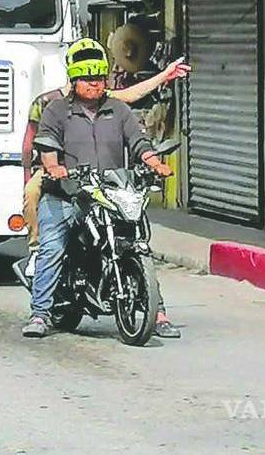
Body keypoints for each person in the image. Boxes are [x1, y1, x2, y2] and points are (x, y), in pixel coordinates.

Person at [22, 38, 178, 339]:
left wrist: (154, 162)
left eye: (99, 77)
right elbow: (46, 142)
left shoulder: (118, 110)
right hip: (67, 194)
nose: (94, 83)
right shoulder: (55, 110)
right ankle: (40, 313)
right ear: (74, 79)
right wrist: (53, 167)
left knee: (137, 243)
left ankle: (157, 313)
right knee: (52, 247)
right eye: (87, 78)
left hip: (109, 193)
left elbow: (138, 141)